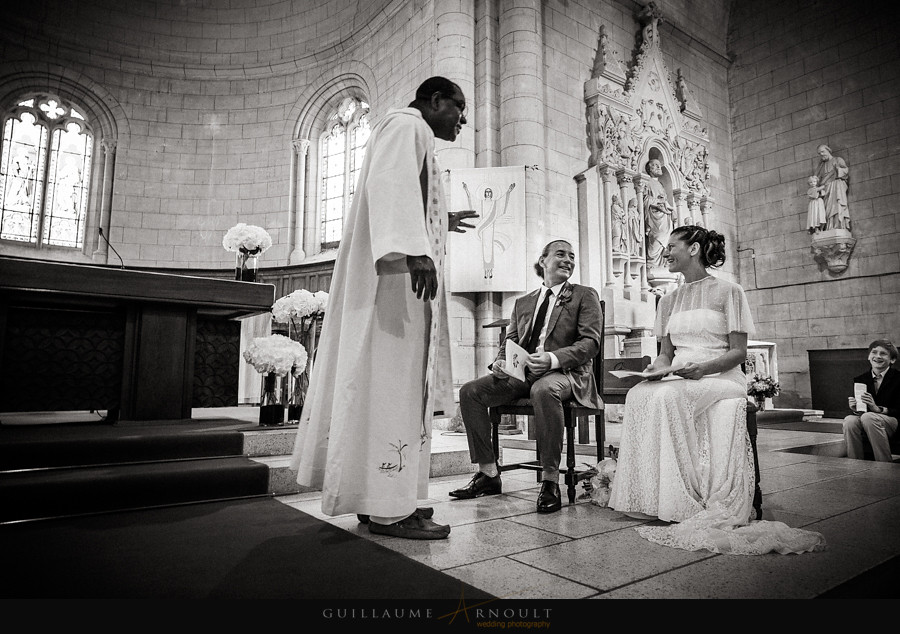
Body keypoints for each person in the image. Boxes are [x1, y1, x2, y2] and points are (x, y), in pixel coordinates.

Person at [289, 77, 478, 540]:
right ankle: (391, 511)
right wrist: (415, 252)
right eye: (459, 107)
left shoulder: (413, 133)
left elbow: (402, 194)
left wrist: (440, 220)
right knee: (390, 389)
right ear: (435, 100)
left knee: (395, 394)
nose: (463, 120)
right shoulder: (405, 125)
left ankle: (387, 499)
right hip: (393, 287)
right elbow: (390, 185)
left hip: (398, 285)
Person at [608, 225, 826, 555]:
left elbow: (738, 352)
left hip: (720, 376)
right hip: (680, 372)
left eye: (671, 246)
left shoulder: (729, 292)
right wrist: (655, 368)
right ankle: (649, 495)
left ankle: (682, 499)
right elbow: (667, 352)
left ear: (693, 249)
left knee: (668, 397)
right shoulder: (667, 301)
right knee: (637, 394)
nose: (665, 252)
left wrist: (703, 369)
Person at [451, 239, 603, 514]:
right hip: (521, 374)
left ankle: (549, 481)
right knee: (470, 392)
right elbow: (509, 341)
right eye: (560, 254)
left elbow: (590, 343)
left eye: (571, 256)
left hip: (566, 375)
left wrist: (552, 358)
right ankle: (488, 474)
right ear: (543, 260)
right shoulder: (523, 302)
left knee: (544, 390)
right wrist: (499, 362)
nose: (568, 260)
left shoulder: (584, 295)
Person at [843, 340, 900, 462]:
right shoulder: (860, 379)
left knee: (869, 417)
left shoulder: (898, 378)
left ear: (892, 360)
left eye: (883, 354)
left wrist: (878, 409)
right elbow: (863, 412)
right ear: (869, 357)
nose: (878, 356)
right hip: (869, 419)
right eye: (874, 352)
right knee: (850, 420)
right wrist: (856, 409)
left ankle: (884, 463)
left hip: (894, 420)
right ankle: (855, 463)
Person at [643, 158, 674, 267]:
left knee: (667, 239)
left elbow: (665, 201)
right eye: (655, 165)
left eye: (659, 165)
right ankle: (652, 263)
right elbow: (645, 199)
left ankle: (663, 263)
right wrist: (658, 201)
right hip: (654, 217)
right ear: (649, 169)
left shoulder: (661, 184)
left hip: (665, 217)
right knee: (656, 237)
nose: (659, 167)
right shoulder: (647, 182)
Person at [814, 144, 850, 231]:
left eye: (823, 152)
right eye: (819, 153)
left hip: (836, 187)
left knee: (836, 206)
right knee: (826, 210)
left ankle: (838, 226)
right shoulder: (821, 165)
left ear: (828, 151)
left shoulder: (837, 160)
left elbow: (845, 171)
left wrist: (838, 170)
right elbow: (816, 178)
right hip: (825, 190)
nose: (821, 154)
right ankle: (828, 228)